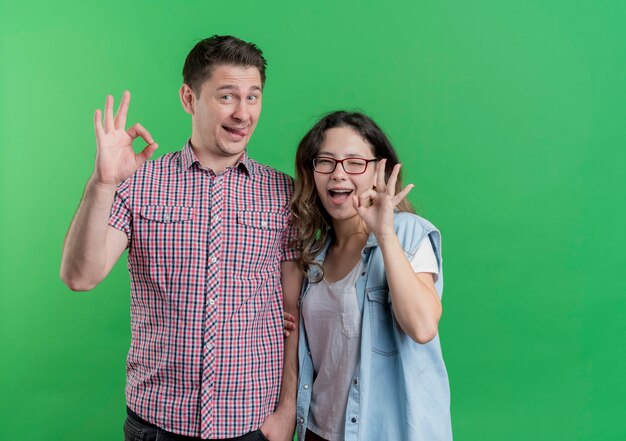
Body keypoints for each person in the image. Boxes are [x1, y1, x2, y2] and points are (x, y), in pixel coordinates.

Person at [60, 35, 302, 441]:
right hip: (157, 423)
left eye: (253, 97)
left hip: (251, 425)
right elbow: (81, 276)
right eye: (227, 97)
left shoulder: (283, 193)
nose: (243, 113)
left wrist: (287, 412)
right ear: (189, 98)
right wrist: (102, 183)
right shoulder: (139, 183)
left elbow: (297, 316)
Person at [289, 111, 452, 440]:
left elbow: (422, 327)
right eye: (326, 161)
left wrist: (385, 232)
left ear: (380, 170)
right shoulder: (314, 255)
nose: (339, 174)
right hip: (317, 431)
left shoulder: (407, 234)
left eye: (354, 163)